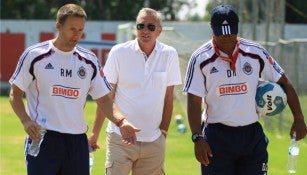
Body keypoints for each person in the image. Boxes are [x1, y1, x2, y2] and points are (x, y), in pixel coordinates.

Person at [8, 3, 139, 175]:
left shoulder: (89, 60)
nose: (77, 34)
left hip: (77, 142)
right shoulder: (35, 55)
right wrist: (25, 120)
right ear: (58, 26)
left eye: (80, 30)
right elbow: (15, 93)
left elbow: (104, 99)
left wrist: (121, 121)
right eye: (72, 29)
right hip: (43, 138)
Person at [183, 4, 307, 175]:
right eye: (221, 32)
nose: (227, 37)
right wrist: (197, 137)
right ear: (212, 28)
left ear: (238, 27)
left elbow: (284, 82)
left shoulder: (255, 52)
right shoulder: (200, 58)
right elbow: (194, 100)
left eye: (231, 32)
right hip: (217, 137)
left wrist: (299, 118)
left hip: (251, 135)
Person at [95, 7, 182, 175]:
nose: (145, 30)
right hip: (119, 139)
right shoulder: (118, 52)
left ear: (159, 31)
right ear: (136, 28)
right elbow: (107, 97)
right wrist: (95, 133)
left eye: (151, 27)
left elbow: (168, 99)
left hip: (153, 142)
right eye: (141, 26)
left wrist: (163, 133)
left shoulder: (169, 54)